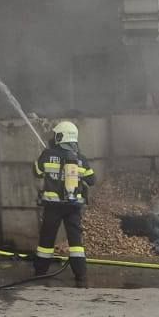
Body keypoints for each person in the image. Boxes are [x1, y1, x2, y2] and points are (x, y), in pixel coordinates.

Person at [34, 120, 96, 285]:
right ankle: (81, 275)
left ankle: (40, 273)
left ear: (60, 137)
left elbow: (37, 171)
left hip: (52, 207)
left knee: (46, 241)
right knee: (76, 243)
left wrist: (47, 155)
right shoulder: (80, 159)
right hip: (73, 207)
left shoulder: (47, 155)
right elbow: (92, 180)